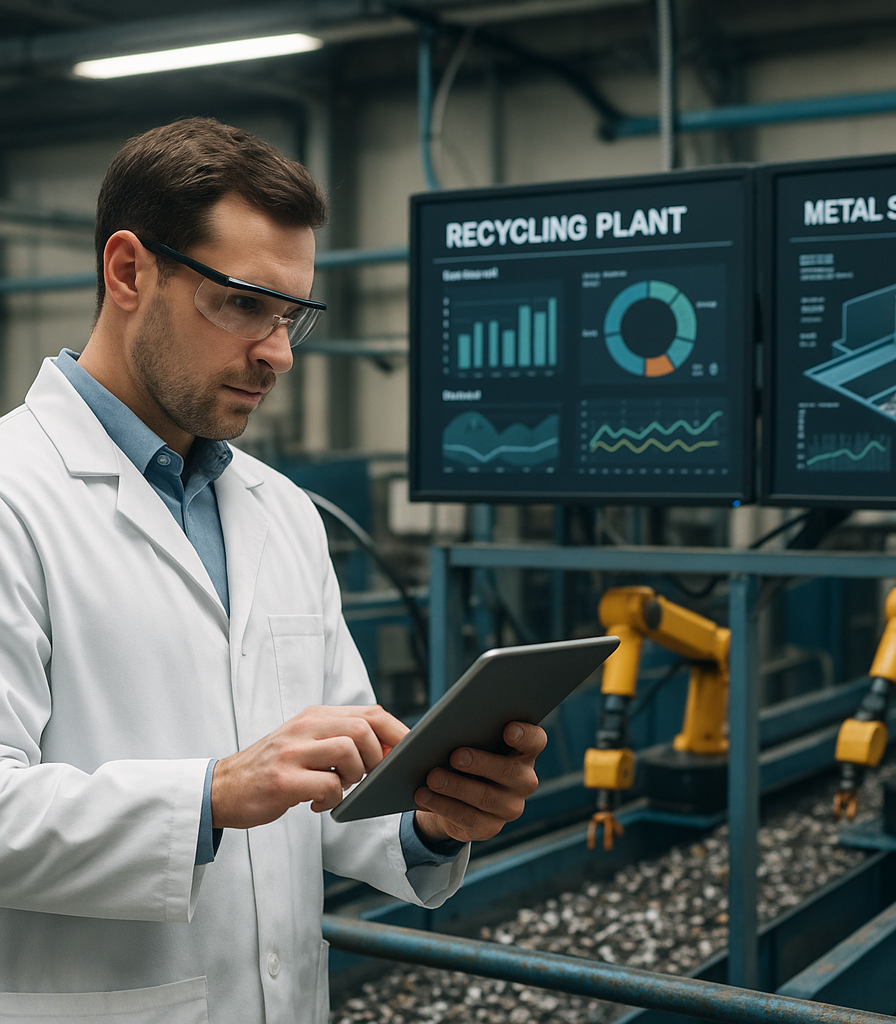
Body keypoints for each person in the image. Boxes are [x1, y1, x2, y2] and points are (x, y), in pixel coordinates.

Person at [0, 117, 546, 1024]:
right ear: (129, 271)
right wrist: (211, 795)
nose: (278, 353)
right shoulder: (15, 495)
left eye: (291, 314)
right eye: (244, 303)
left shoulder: (280, 512)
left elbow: (336, 789)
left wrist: (430, 817)